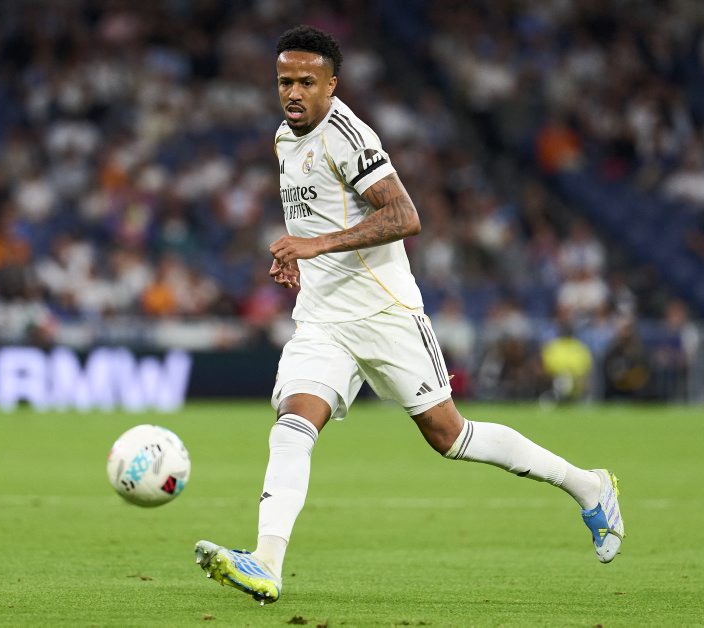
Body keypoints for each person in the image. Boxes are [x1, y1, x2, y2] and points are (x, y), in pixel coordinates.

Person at [195, 25, 624, 605]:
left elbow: (404, 215)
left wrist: (315, 247)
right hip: (322, 319)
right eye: (284, 81)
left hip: (386, 313)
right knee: (293, 425)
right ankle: (267, 564)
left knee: (450, 435)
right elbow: (316, 217)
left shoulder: (348, 135)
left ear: (331, 85)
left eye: (306, 82)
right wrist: (298, 258)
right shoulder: (283, 138)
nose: (293, 92)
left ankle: (588, 486)